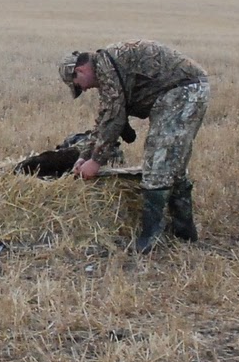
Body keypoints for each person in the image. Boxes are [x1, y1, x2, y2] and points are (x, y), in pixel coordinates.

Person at [59, 41, 210, 253]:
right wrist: (84, 156)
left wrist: (96, 161)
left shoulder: (106, 67)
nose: (83, 89)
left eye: (78, 85)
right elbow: (105, 119)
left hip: (182, 92)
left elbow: (114, 119)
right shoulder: (106, 66)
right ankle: (184, 232)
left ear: (80, 70)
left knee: (158, 162)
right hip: (187, 91)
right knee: (172, 165)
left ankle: (150, 238)